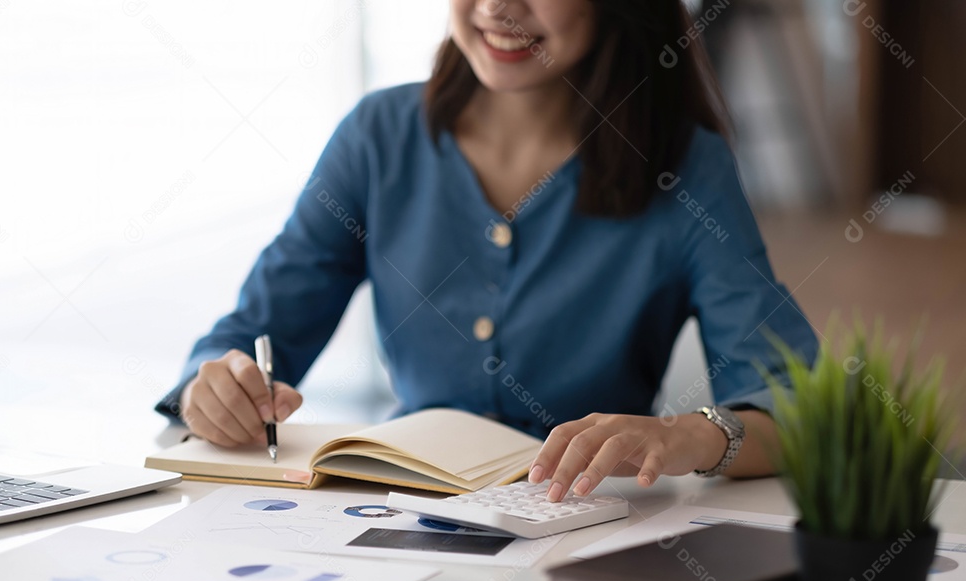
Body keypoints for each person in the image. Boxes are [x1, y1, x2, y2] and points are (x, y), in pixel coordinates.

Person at [156, 0, 818, 502]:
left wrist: (685, 436)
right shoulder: (377, 138)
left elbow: (793, 402)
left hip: (586, 526)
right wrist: (209, 390)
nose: (498, 8)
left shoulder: (684, 165)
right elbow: (251, 336)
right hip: (390, 515)